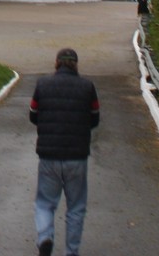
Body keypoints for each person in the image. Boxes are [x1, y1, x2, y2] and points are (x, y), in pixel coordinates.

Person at [29, 47, 100, 256]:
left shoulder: (42, 85)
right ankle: (71, 251)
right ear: (75, 64)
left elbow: (33, 115)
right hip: (77, 158)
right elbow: (95, 118)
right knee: (76, 208)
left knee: (44, 203)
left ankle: (45, 237)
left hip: (48, 157)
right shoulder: (88, 87)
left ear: (57, 63)